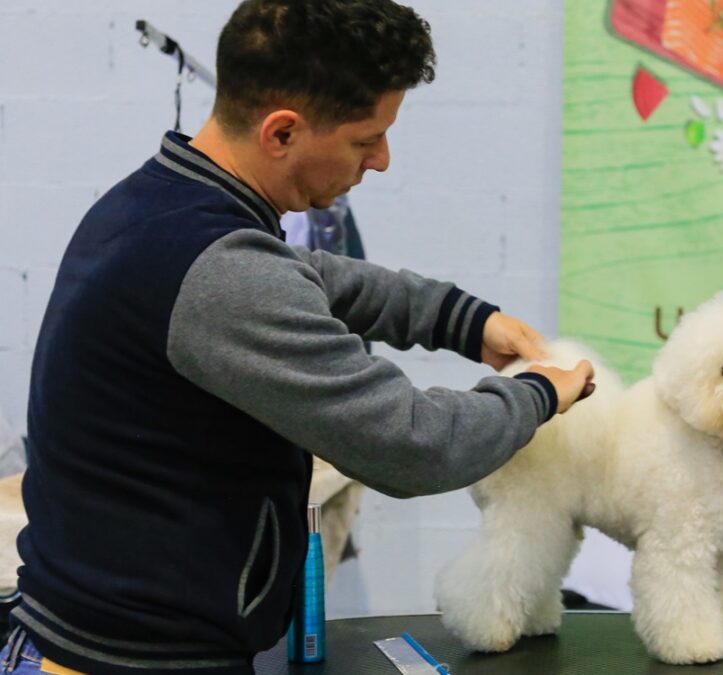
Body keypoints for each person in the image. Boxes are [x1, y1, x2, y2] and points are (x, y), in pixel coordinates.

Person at [0, 1, 594, 673]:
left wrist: (463, 319)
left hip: (93, 640)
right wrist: (543, 389)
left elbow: (313, 277)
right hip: (129, 662)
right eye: (365, 138)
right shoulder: (222, 272)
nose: (383, 160)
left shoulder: (154, 206)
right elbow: (413, 443)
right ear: (282, 133)